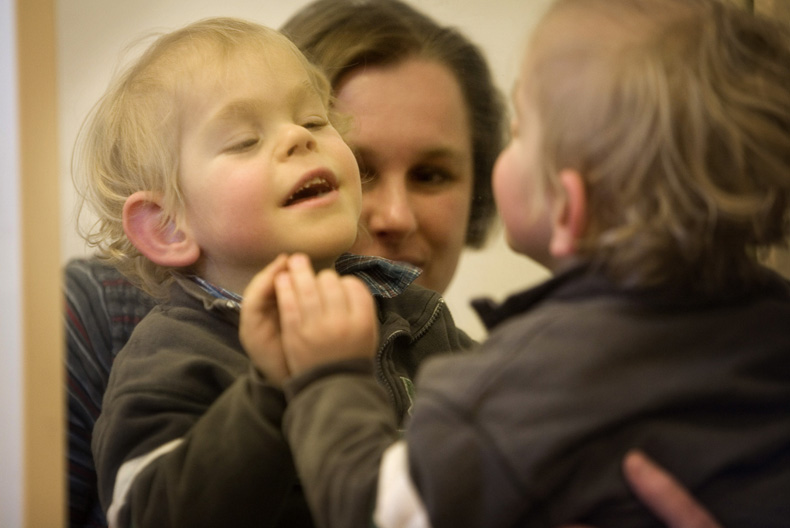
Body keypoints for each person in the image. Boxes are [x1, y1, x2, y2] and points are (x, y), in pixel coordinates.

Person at [244, 0, 790, 526]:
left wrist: (328, 377)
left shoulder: (518, 384)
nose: (396, 216)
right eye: (359, 169)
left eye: (432, 175)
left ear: (566, 207)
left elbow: (374, 513)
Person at [77, 17, 473, 528]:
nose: (297, 138)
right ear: (167, 227)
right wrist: (269, 393)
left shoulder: (419, 318)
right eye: (245, 140)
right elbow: (144, 515)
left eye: (314, 121)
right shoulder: (171, 355)